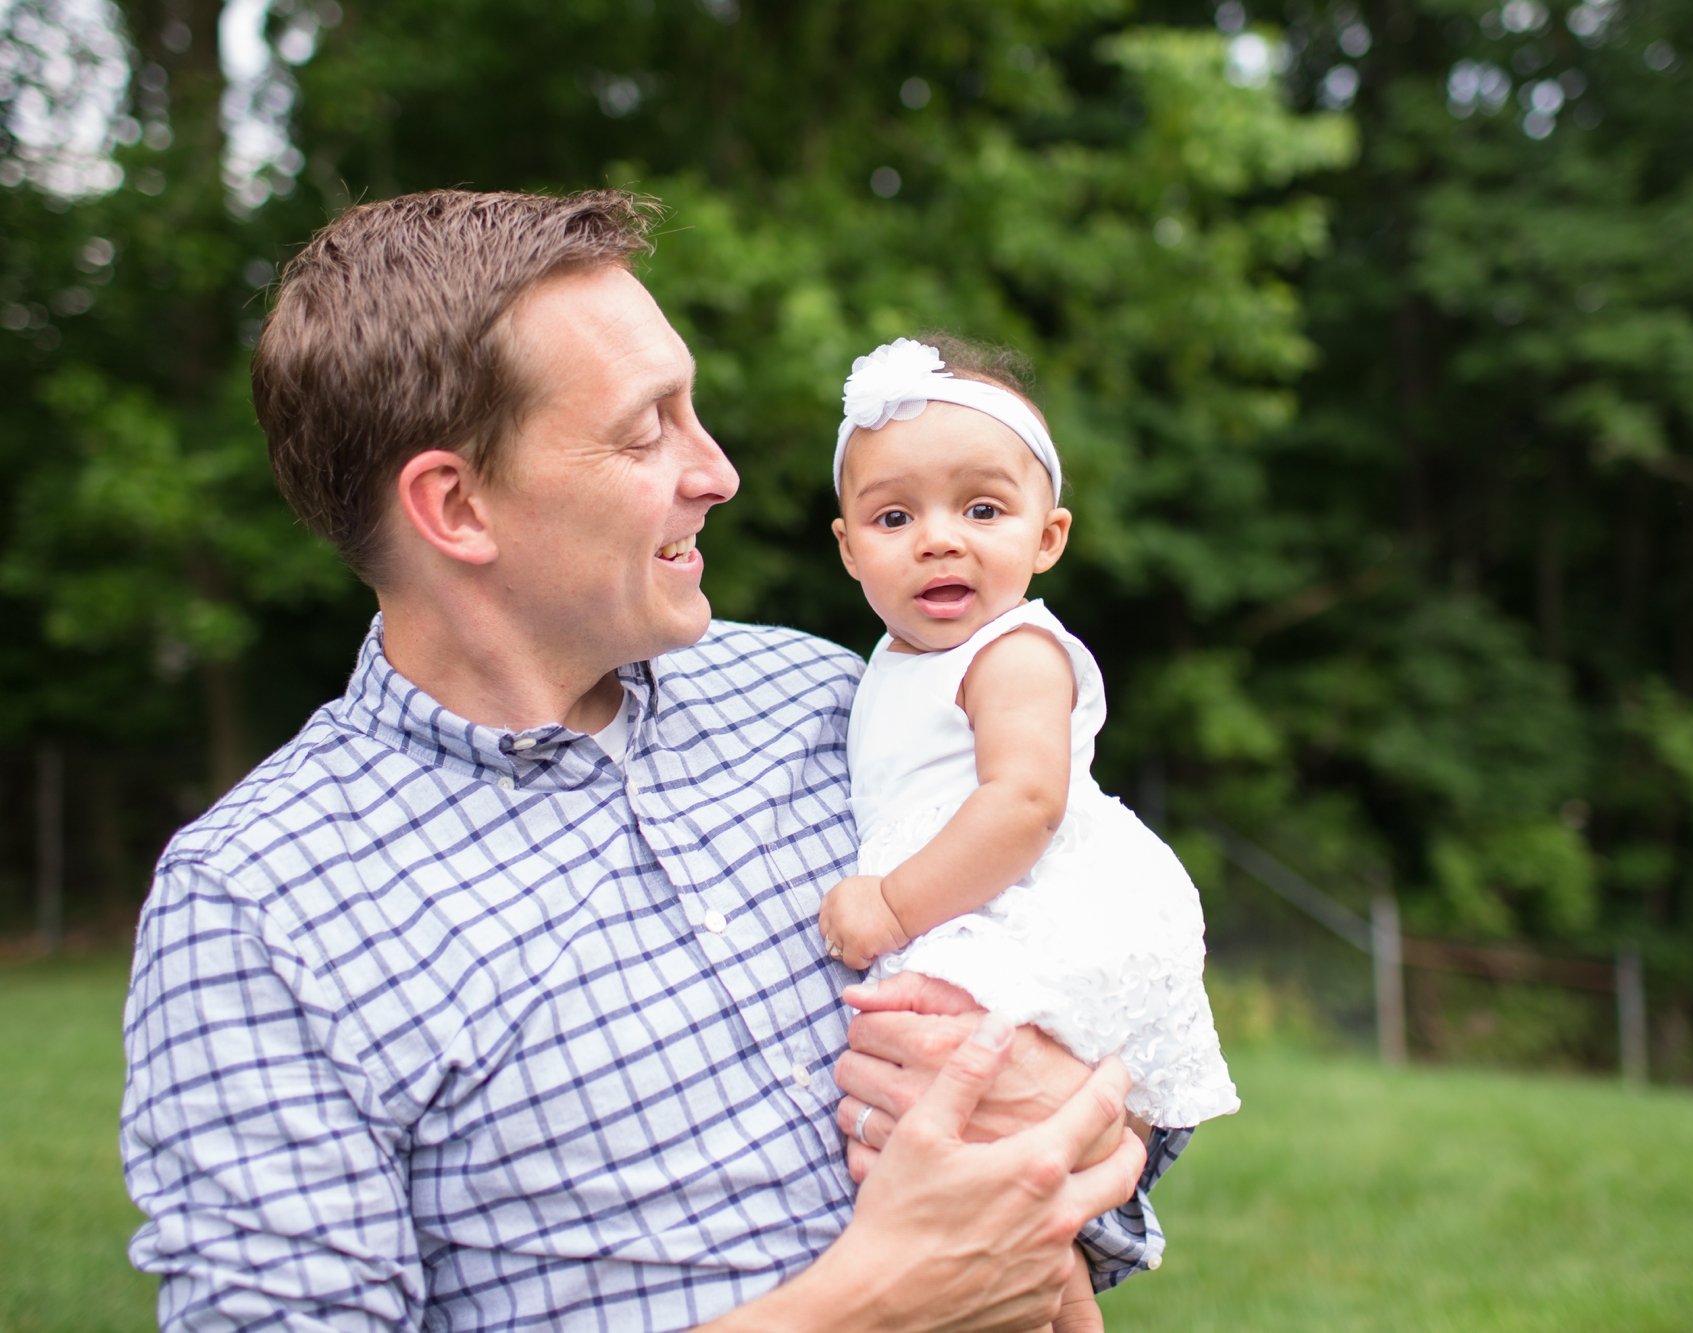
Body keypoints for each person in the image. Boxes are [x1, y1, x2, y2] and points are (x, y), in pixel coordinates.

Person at [119, 189, 1188, 1332]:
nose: (718, 472)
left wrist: (1087, 1121)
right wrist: (867, 1305)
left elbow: (1090, 970)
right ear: (455, 505)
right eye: (647, 429)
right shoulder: (258, 907)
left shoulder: (824, 700)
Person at [817, 338, 1240, 1331]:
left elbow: (1021, 805)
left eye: (981, 509)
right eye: (893, 515)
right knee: (936, 1150)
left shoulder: (1013, 654)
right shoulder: (890, 659)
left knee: (953, 1138)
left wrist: (889, 902)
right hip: (966, 908)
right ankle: (1038, 1297)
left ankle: (1045, 1301)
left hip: (1016, 914)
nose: (938, 539)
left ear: (1045, 537)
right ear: (846, 546)